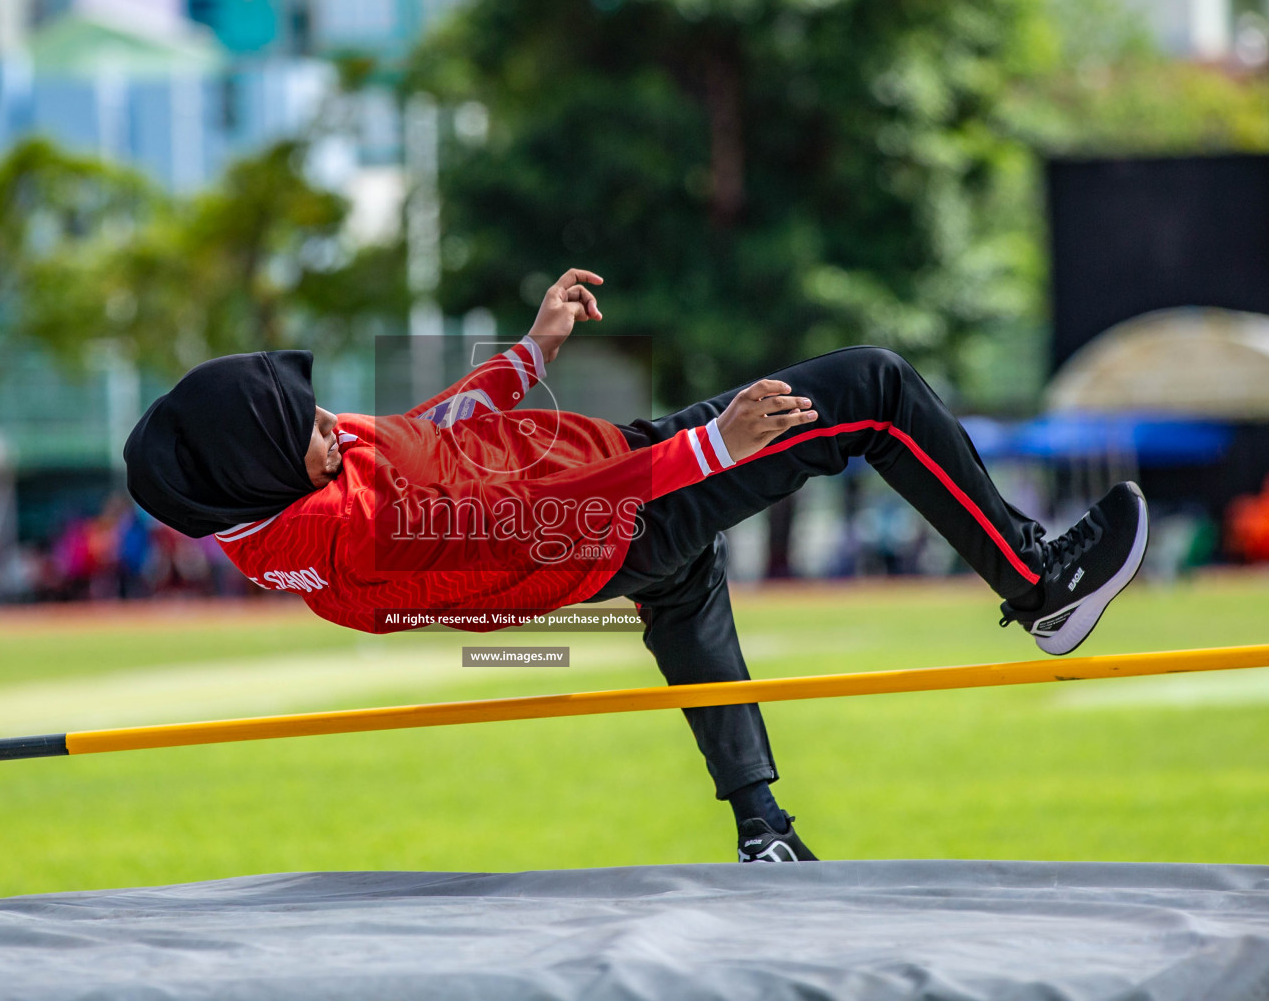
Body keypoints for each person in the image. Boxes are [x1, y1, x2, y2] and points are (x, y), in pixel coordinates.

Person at [123, 270, 1149, 864]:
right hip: (614, 505)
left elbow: (422, 430)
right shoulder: (353, 526)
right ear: (256, 465)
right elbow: (536, 513)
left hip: (609, 503)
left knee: (684, 585)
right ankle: (1039, 582)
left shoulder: (285, 492)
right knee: (872, 391)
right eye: (299, 424)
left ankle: (764, 832)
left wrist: (531, 350)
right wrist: (716, 447)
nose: (325, 422)